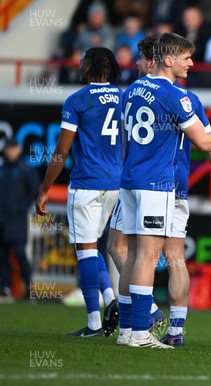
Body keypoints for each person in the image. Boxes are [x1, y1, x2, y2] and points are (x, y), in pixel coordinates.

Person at [119, 32, 211, 349]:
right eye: (186, 57)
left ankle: (127, 329)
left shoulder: (131, 89)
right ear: (168, 60)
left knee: (132, 255)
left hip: (129, 181)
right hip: (158, 184)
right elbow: (208, 143)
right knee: (155, 256)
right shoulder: (179, 97)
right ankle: (144, 333)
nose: (192, 63)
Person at [35, 47, 122, 337]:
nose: (80, 65)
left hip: (86, 182)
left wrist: (45, 189)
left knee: (84, 250)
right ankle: (111, 299)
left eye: (84, 60)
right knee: (93, 245)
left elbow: (61, 151)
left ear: (93, 66)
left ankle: (95, 324)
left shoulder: (77, 100)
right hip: (114, 184)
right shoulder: (122, 97)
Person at [0, 138, 38, 302]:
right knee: (2, 255)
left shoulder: (26, 170)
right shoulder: (1, 169)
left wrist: (21, 208)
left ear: (19, 149)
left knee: (20, 252)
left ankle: (28, 287)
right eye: (8, 148)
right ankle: (5, 288)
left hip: (17, 221)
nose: (10, 151)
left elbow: (34, 191)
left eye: (13, 148)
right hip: (2, 220)